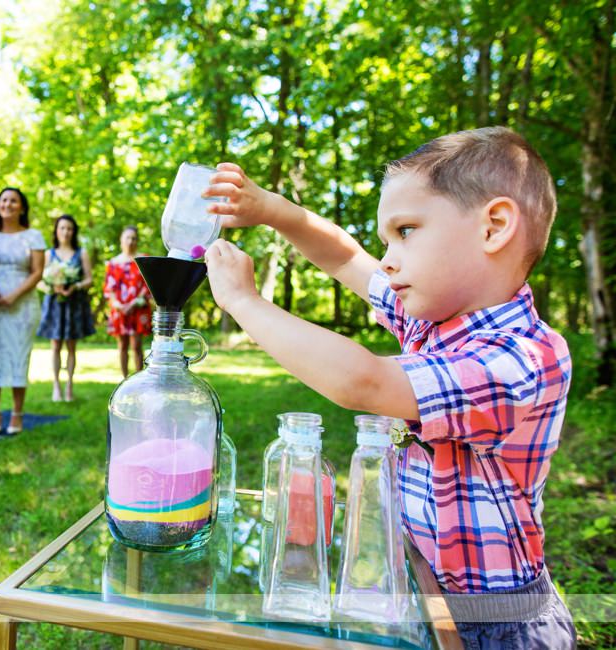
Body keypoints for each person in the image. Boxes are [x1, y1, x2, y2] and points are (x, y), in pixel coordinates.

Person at [203, 127, 575, 647]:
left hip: (498, 624)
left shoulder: (522, 358)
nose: (389, 259)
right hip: (428, 589)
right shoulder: (434, 321)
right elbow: (342, 258)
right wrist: (271, 209)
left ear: (493, 227)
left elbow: (365, 382)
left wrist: (246, 304)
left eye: (406, 231)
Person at [0, 187, 46, 435]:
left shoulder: (33, 236)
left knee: (18, 356)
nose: (8, 204)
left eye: (14, 201)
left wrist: (13, 296)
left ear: (22, 207)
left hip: (22, 304)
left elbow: (37, 272)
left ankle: (16, 414)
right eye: (4, 200)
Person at [36, 214, 96, 402]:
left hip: (74, 304)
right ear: (56, 230)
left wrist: (75, 286)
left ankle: (69, 386)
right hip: (54, 304)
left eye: (69, 228)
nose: (66, 232)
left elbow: (89, 279)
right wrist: (52, 287)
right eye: (62, 228)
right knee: (55, 345)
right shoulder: (48, 254)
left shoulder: (81, 253)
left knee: (71, 346)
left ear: (73, 231)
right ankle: (56, 386)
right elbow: (38, 280)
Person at [103, 226, 151, 378]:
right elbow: (109, 289)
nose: (130, 241)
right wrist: (119, 305)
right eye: (127, 238)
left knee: (136, 345)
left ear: (137, 241)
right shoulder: (113, 263)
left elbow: (148, 285)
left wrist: (133, 303)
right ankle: (124, 380)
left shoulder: (143, 259)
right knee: (122, 345)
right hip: (119, 310)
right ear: (121, 240)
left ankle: (139, 379)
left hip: (138, 309)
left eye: (134, 238)